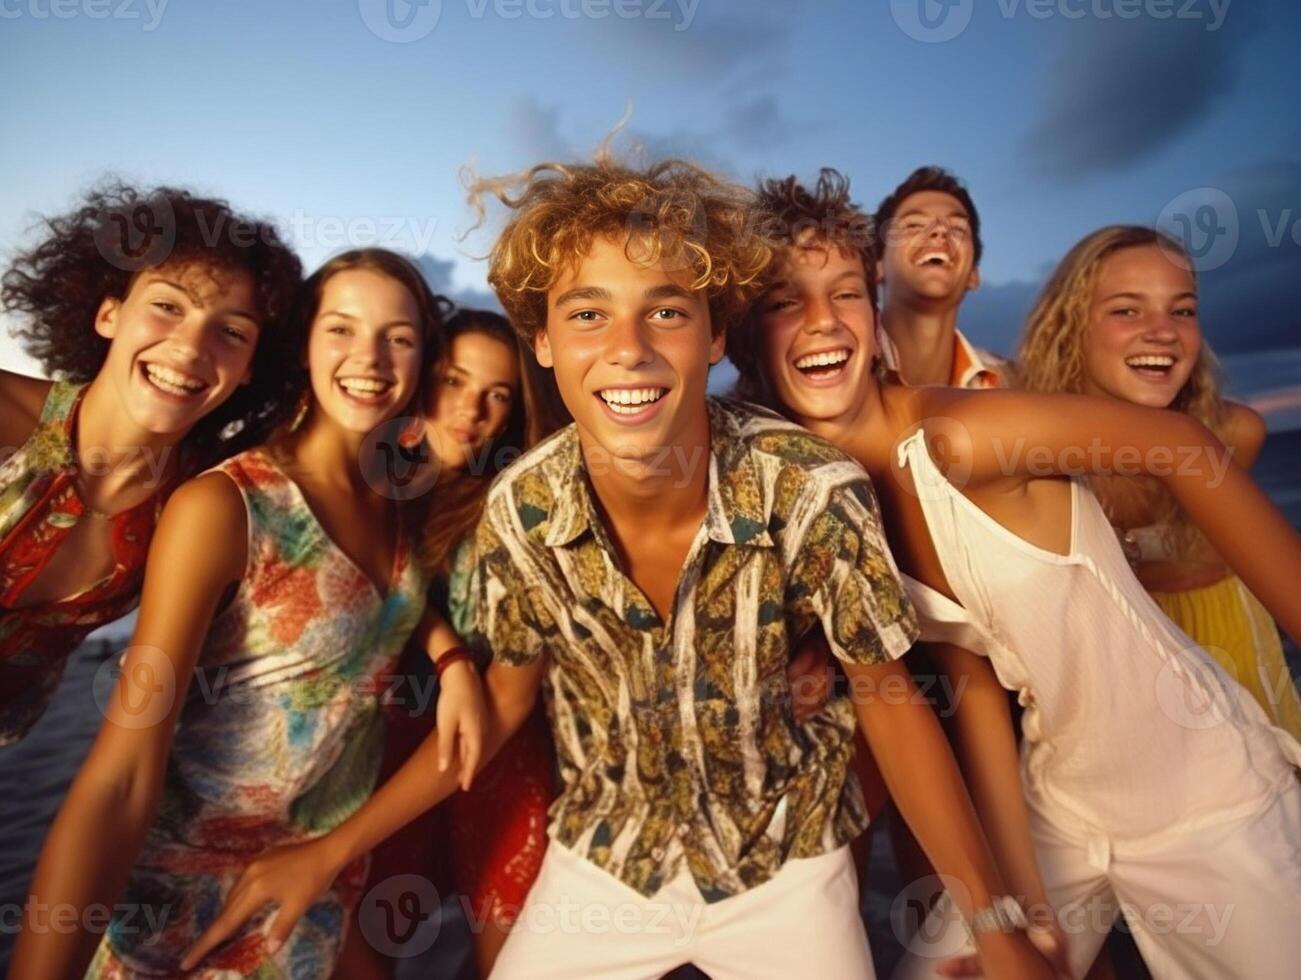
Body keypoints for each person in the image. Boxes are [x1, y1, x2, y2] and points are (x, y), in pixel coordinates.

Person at [182, 154, 1058, 980]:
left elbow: (888, 695)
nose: (629, 347)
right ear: (544, 343)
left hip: (790, 852)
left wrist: (992, 922)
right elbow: (504, 704)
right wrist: (329, 851)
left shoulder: (812, 489)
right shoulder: (521, 514)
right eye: (588, 313)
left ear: (716, 336)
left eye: (667, 311)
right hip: (606, 857)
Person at [733, 173, 1301, 980]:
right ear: (748, 335)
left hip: (1209, 797)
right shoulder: (825, 501)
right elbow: (969, 686)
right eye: (786, 300)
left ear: (873, 306)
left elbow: (1181, 446)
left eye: (847, 292)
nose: (823, 320)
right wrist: (1008, 906)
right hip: (1061, 800)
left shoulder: (961, 435)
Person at [10, 249, 486, 979]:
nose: (370, 357)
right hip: (186, 912)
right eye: (341, 328)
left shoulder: (400, 499)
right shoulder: (226, 506)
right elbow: (122, 775)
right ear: (301, 343)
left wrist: (450, 657)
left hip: (320, 890)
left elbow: (385, 600)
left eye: (398, 336)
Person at [0, 182, 302, 745]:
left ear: (251, 369)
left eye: (232, 331)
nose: (191, 348)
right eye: (167, 306)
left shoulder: (198, 503)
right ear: (108, 314)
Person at [337, 307, 567, 980]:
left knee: (512, 952)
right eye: (455, 381)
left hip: (494, 738)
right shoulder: (365, 484)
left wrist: (459, 663)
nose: (472, 411)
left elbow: (512, 689)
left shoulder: (517, 504)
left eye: (497, 395)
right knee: (362, 941)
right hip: (376, 744)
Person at [1016, 225, 1301, 739]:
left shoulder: (1233, 436)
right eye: (1127, 310)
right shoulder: (1042, 467)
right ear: (1069, 326)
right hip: (1121, 716)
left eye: (1183, 310)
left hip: (1245, 689)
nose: (1164, 331)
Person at [873, 166, 1008, 389]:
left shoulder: (1015, 385)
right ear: (877, 267)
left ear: (973, 275)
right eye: (914, 225)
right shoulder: (842, 371)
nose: (939, 232)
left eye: (957, 229)